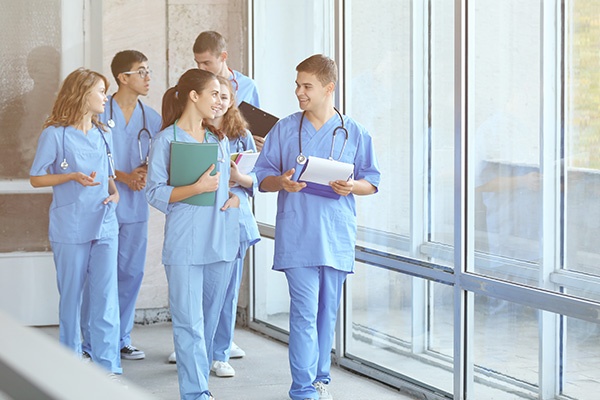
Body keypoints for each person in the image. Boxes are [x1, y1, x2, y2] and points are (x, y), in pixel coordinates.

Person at [253, 54, 381, 400]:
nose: (299, 92)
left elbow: (372, 180)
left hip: (335, 233)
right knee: (304, 312)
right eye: (297, 85)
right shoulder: (285, 128)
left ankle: (321, 376)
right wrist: (281, 182)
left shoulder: (354, 132)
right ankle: (303, 387)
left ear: (329, 88)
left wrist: (350, 186)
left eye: (306, 86)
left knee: (328, 312)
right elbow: (261, 177)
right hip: (298, 233)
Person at [146, 68, 252, 400]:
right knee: (189, 324)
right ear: (194, 96)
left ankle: (199, 384)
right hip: (185, 244)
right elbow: (153, 193)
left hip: (220, 238)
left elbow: (226, 183)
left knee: (207, 323)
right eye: (213, 95)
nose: (219, 103)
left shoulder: (217, 140)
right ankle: (197, 393)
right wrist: (195, 188)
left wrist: (234, 198)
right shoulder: (166, 140)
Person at [29, 67, 122, 376]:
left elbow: (110, 179)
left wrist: (115, 195)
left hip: (105, 223)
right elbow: (37, 178)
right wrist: (69, 176)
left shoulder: (104, 134)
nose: (105, 97)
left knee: (106, 299)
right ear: (82, 95)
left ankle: (107, 369)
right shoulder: (54, 134)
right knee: (71, 298)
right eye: (100, 91)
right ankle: (70, 370)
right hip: (70, 225)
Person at [81, 50, 163, 361]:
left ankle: (120, 338)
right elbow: (89, 157)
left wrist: (144, 172)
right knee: (100, 274)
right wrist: (126, 176)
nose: (147, 77)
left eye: (148, 70)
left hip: (136, 208)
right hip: (103, 204)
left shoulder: (151, 119)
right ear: (122, 78)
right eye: (141, 71)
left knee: (130, 273)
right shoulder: (99, 112)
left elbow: (160, 158)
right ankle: (90, 342)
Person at [207, 76, 261, 377]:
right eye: (214, 95)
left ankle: (220, 352)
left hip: (234, 219)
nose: (219, 102)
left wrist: (238, 178)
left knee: (227, 291)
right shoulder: (193, 132)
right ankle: (196, 346)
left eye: (224, 97)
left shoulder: (242, 136)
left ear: (232, 101)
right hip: (203, 216)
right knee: (201, 290)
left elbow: (257, 180)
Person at [192, 30, 264, 153]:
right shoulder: (191, 85)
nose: (201, 68)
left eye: (206, 63)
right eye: (197, 62)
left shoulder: (248, 86)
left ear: (223, 57)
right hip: (200, 148)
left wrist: (255, 142)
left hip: (236, 153)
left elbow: (254, 128)